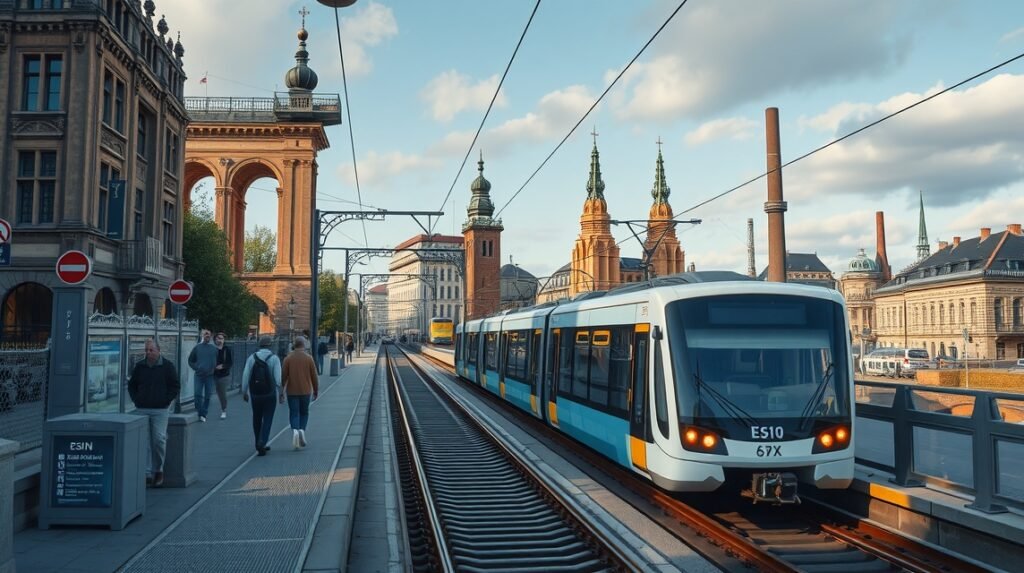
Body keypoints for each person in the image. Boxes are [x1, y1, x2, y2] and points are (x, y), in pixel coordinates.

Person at [128, 339, 180, 488]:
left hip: (160, 410)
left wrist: (166, 400)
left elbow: (175, 386)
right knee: (143, 442)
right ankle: (146, 473)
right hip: (142, 408)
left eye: (151, 350)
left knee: (159, 439)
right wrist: (136, 399)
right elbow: (132, 385)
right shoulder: (140, 366)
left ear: (158, 351)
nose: (148, 353)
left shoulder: (167, 366)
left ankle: (158, 470)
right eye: (146, 350)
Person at [241, 335, 283, 456]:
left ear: (260, 345)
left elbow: (245, 375)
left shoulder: (252, 358)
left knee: (257, 417)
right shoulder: (274, 358)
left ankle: (257, 442)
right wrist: (280, 392)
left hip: (255, 394)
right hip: (269, 394)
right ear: (270, 345)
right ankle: (263, 441)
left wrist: (245, 392)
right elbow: (278, 379)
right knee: (268, 418)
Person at [282, 336, 319, 450]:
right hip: (306, 390)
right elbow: (314, 376)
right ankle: (302, 429)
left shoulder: (288, 358)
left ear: (294, 345)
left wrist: (281, 391)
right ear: (303, 345)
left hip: (292, 391)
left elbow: (283, 377)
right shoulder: (309, 358)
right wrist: (316, 391)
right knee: (304, 412)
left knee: (294, 413)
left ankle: (295, 431)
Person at [188, 329, 217, 422]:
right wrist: (196, 368)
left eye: (208, 334)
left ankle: (203, 413)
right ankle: (200, 412)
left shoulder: (214, 349)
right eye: (205, 334)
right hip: (199, 375)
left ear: (211, 336)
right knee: (197, 394)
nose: (207, 336)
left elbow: (218, 360)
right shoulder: (197, 348)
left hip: (210, 376)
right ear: (202, 336)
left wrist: (215, 368)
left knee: (208, 395)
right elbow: (190, 360)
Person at [213, 332, 233, 419]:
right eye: (218, 338)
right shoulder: (212, 349)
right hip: (211, 373)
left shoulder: (227, 349)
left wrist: (223, 366)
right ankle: (203, 411)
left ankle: (223, 410)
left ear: (224, 340)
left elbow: (230, 362)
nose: (220, 340)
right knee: (207, 392)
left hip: (223, 375)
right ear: (215, 339)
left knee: (222, 393)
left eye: (222, 338)